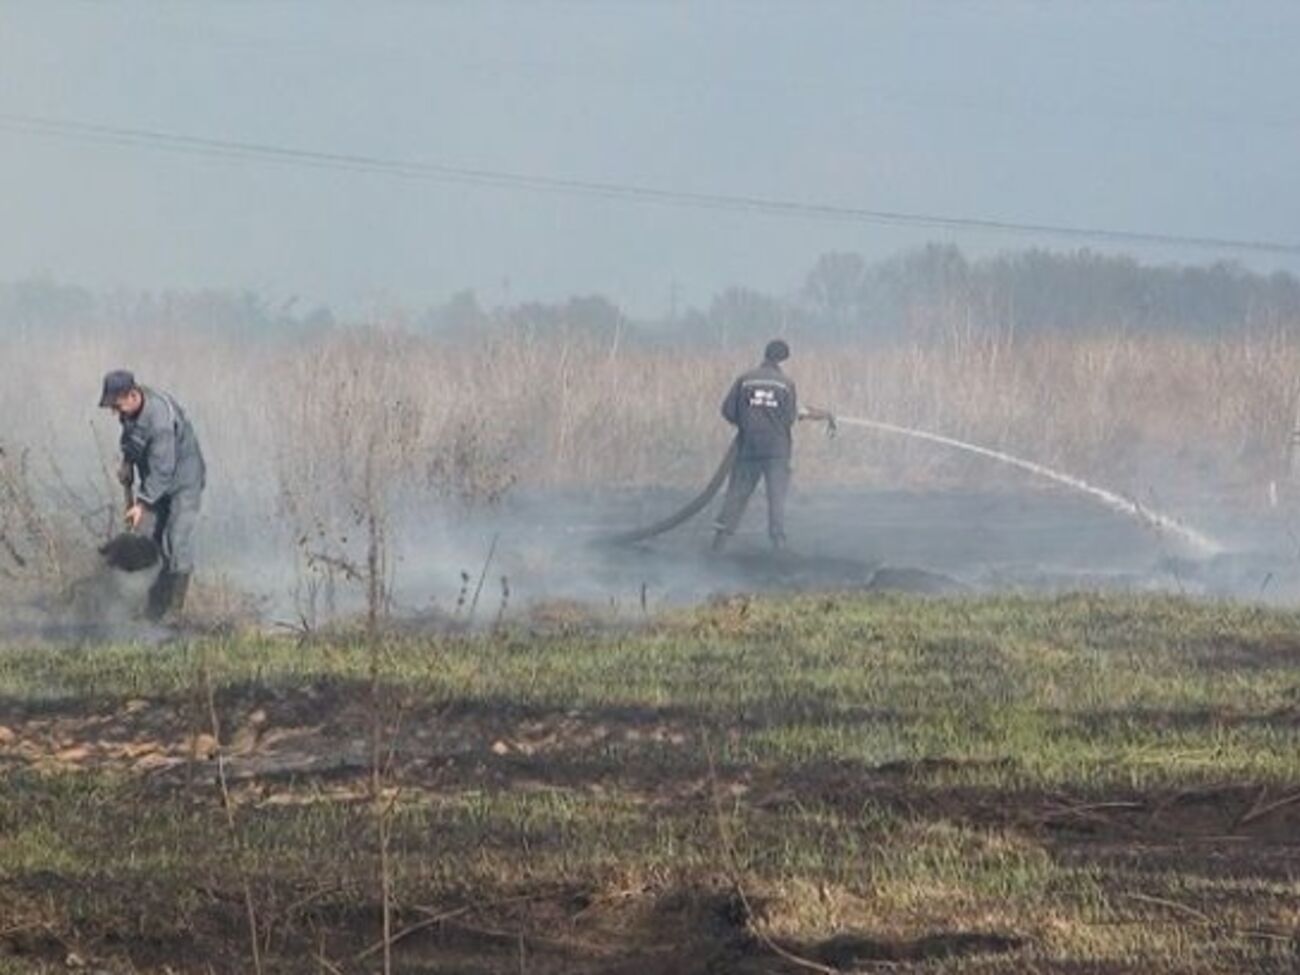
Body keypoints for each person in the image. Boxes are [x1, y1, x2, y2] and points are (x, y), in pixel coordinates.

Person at [99, 370, 206, 620]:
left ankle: (175, 612)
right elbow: (132, 440)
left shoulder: (160, 421)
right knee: (150, 540)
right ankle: (154, 610)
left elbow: (164, 469)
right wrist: (127, 462)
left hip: (183, 484)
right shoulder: (130, 412)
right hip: (156, 484)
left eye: (117, 405)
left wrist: (142, 504)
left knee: (175, 540)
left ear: (132, 395)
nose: (115, 412)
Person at [712, 339, 830, 551]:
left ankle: (719, 543)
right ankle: (778, 545)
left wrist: (747, 423)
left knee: (737, 493)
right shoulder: (785, 384)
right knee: (776, 496)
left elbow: (728, 411)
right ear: (783, 359)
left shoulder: (745, 379)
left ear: (765, 355)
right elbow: (790, 416)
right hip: (777, 450)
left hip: (747, 447)